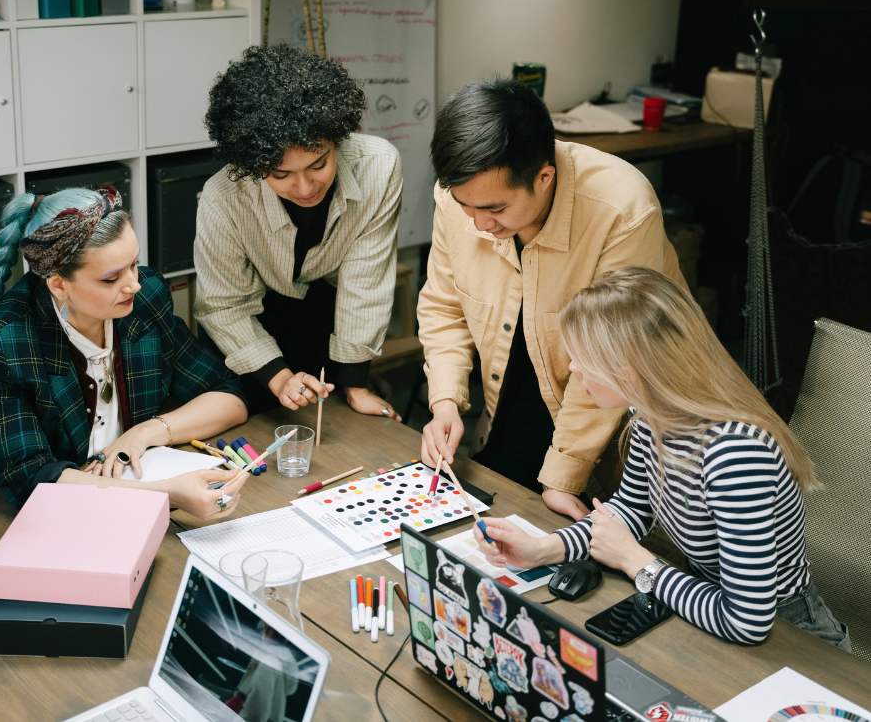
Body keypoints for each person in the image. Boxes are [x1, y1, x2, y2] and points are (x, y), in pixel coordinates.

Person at [474, 267, 850, 650]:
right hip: (700, 602)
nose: (573, 367)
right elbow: (632, 510)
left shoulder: (735, 453)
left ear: (629, 373)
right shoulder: (650, 415)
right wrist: (544, 548)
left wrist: (636, 561)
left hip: (791, 639)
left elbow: (747, 621)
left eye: (582, 358)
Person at [417, 77, 686, 519]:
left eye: (496, 210)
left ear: (544, 177)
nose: (480, 224)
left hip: (616, 420)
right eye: (467, 207)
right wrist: (445, 400)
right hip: (509, 396)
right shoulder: (462, 195)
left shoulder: (623, 210)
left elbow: (612, 360)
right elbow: (444, 306)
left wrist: (564, 474)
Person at [0, 187, 250, 520]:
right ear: (58, 285)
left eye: (134, 264)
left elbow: (228, 397)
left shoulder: (145, 298)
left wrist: (144, 433)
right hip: (10, 515)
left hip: (122, 491)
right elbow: (33, 480)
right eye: (111, 278)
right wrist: (169, 493)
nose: (134, 285)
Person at [195, 43, 403, 421]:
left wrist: (356, 385)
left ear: (337, 138)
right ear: (255, 165)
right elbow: (224, 304)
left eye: (318, 164)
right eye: (281, 175)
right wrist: (278, 377)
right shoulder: (222, 198)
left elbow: (365, 280)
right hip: (246, 327)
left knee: (331, 426)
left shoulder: (379, 166)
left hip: (325, 314)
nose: (306, 188)